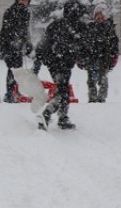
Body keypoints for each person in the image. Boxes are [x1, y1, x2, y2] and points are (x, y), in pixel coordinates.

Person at [34, 1, 85, 130]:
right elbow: (82, 46)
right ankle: (48, 113)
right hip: (58, 62)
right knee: (63, 92)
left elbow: (42, 46)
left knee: (63, 90)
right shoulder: (74, 27)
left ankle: (62, 117)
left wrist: (38, 64)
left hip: (59, 63)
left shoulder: (58, 26)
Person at [80, 5, 118, 103]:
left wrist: (114, 56)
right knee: (91, 80)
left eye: (101, 16)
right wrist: (81, 56)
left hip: (104, 58)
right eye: (97, 16)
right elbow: (83, 43)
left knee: (103, 79)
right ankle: (92, 97)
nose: (99, 18)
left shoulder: (109, 28)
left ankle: (101, 97)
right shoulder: (90, 28)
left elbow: (114, 44)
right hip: (91, 57)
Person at [0, 0, 32, 102]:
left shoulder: (26, 12)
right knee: (12, 69)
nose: (24, 2)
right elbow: (6, 31)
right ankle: (10, 93)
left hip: (19, 46)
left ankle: (16, 91)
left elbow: (25, 30)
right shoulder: (10, 11)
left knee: (18, 69)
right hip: (9, 45)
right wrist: (8, 46)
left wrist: (27, 43)